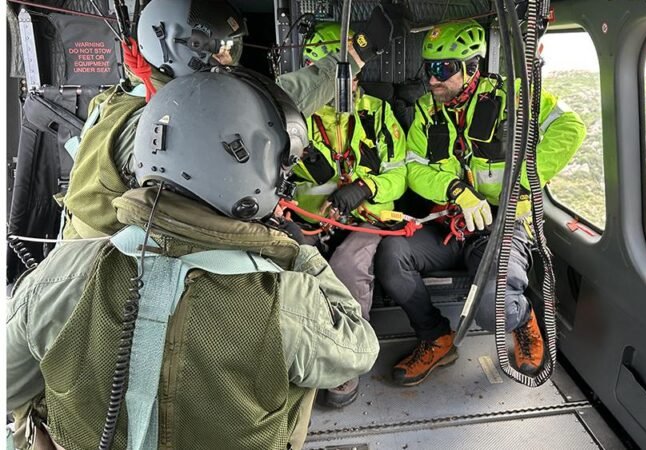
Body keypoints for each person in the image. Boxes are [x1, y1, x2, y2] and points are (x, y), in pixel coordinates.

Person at [6, 70, 380, 450]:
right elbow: (359, 351)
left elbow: (10, 389)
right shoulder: (287, 298)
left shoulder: (61, 274)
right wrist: (302, 256)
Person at [60, 0, 403, 240]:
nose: (228, 58)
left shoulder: (120, 98)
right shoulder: (172, 112)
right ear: (184, 50)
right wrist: (359, 52)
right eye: (220, 49)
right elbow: (263, 103)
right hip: (115, 254)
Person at [374, 19, 586, 386]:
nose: (433, 79)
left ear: (472, 68)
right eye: (429, 68)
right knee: (391, 258)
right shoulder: (426, 111)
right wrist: (457, 191)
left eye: (444, 69)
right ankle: (436, 338)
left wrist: (522, 182)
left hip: (501, 225)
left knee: (494, 309)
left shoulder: (513, 98)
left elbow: (571, 127)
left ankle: (522, 320)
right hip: (450, 225)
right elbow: (414, 169)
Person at [291, 22, 407, 408]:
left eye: (352, 76)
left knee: (348, 266)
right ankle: (303, 354)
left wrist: (365, 188)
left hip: (365, 219)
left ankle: (346, 360)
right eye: (337, 80)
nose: (347, 88)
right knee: (296, 270)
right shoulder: (293, 119)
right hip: (308, 222)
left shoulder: (379, 113)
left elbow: (400, 174)